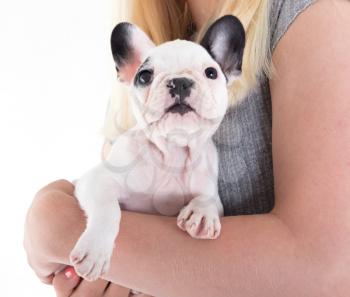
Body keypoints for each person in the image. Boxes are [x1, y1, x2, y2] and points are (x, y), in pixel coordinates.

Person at [24, 0, 350, 296]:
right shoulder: (154, 25)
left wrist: (60, 225)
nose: (179, 87)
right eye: (148, 76)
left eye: (209, 73)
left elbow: (328, 270)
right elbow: (116, 268)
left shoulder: (304, 11)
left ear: (230, 68)